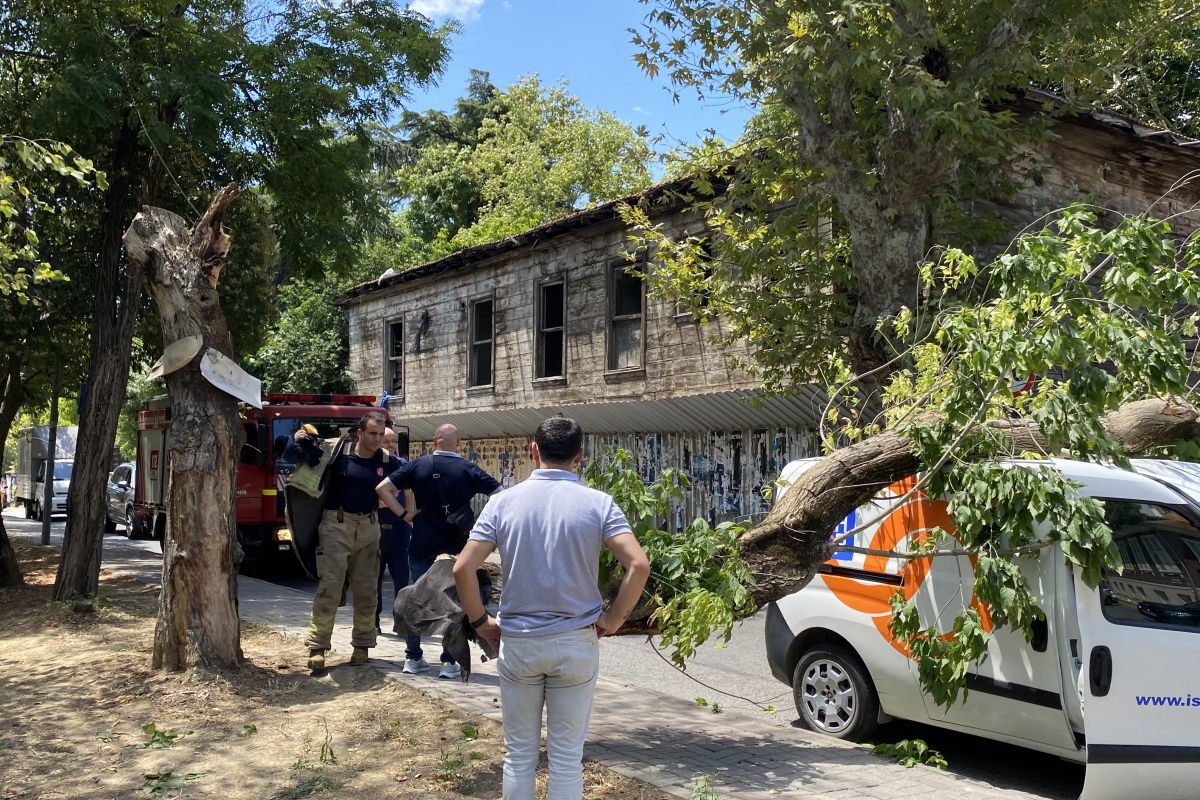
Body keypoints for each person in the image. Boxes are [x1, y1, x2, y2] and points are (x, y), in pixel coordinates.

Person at [452, 415, 651, 800]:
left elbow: (463, 567)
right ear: (581, 456)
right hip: (576, 642)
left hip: (519, 643)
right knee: (565, 759)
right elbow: (638, 565)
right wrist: (612, 619)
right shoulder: (598, 504)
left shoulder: (502, 503)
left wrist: (480, 621)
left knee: (520, 756)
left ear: (533, 451)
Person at [376, 423, 501, 679]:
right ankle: (448, 662)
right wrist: (480, 523)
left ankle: (412, 659)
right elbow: (500, 494)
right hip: (457, 550)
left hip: (421, 544)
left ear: (434, 441)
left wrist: (405, 515)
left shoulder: (417, 465)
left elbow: (382, 489)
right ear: (459, 443)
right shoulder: (468, 469)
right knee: (455, 603)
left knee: (416, 598)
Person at [303, 410, 390, 671]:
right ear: (360, 433)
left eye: (381, 434)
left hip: (369, 529)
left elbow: (410, 479)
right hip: (335, 526)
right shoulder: (337, 453)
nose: (377, 439)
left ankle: (362, 646)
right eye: (372, 433)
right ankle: (317, 647)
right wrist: (301, 443)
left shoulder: (386, 460)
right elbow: (303, 462)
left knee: (366, 591)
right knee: (329, 587)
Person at [375, 427, 413, 631]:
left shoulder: (401, 465)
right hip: (377, 529)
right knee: (375, 578)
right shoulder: (373, 464)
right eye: (386, 442)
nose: (391, 445)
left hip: (400, 530)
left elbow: (407, 494)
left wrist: (408, 519)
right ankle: (374, 622)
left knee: (402, 578)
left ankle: (401, 622)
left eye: (393, 442)